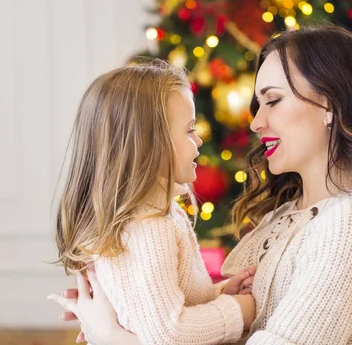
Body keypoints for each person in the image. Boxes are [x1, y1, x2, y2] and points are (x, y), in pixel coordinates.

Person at [49, 25, 352, 344]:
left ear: (330, 106)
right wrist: (126, 301)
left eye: (273, 101)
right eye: (257, 105)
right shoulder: (284, 216)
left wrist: (116, 338)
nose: (255, 123)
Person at [48, 61, 257, 345]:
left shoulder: (158, 215)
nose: (198, 140)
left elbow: (160, 308)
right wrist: (238, 311)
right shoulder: (149, 227)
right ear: (149, 144)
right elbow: (168, 332)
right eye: (189, 130)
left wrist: (221, 294)